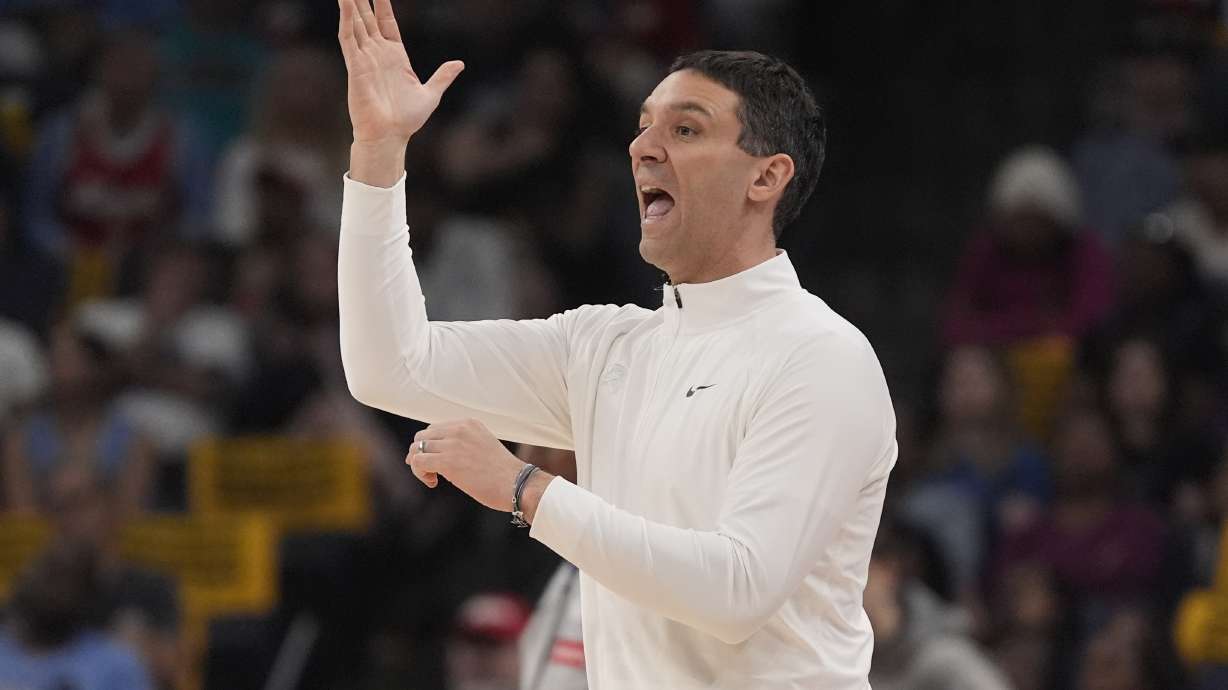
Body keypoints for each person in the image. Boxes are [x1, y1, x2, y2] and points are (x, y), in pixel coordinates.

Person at [335, 2, 897, 688]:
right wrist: (378, 152)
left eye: (686, 128)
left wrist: (523, 488)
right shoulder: (604, 345)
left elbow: (736, 590)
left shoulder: (821, 356)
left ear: (766, 176)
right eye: (642, 127)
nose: (643, 147)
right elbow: (390, 368)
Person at [0, 540, 153, 690]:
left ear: (88, 596)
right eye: (46, 574)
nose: (49, 590)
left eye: (63, 581)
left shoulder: (115, 666)